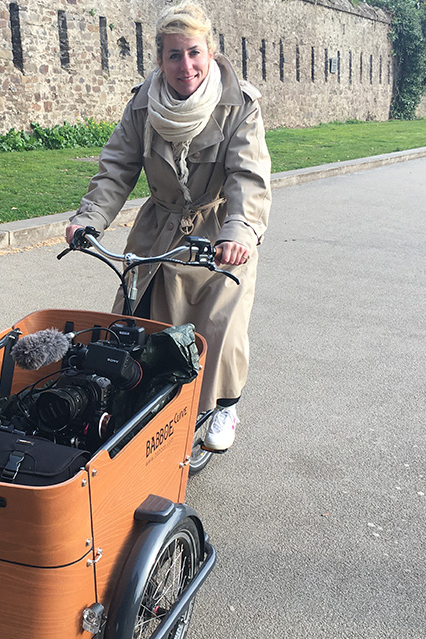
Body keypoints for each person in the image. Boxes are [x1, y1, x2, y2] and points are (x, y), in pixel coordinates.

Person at [65, 2, 271, 452]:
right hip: (159, 228)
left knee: (219, 325)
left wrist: (238, 230)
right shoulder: (143, 104)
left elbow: (247, 176)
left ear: (211, 53)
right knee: (137, 322)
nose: (186, 66)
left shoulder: (239, 104)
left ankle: (224, 406)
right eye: (174, 55)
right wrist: (89, 218)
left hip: (218, 233)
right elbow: (116, 168)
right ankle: (144, 407)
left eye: (194, 52)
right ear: (160, 59)